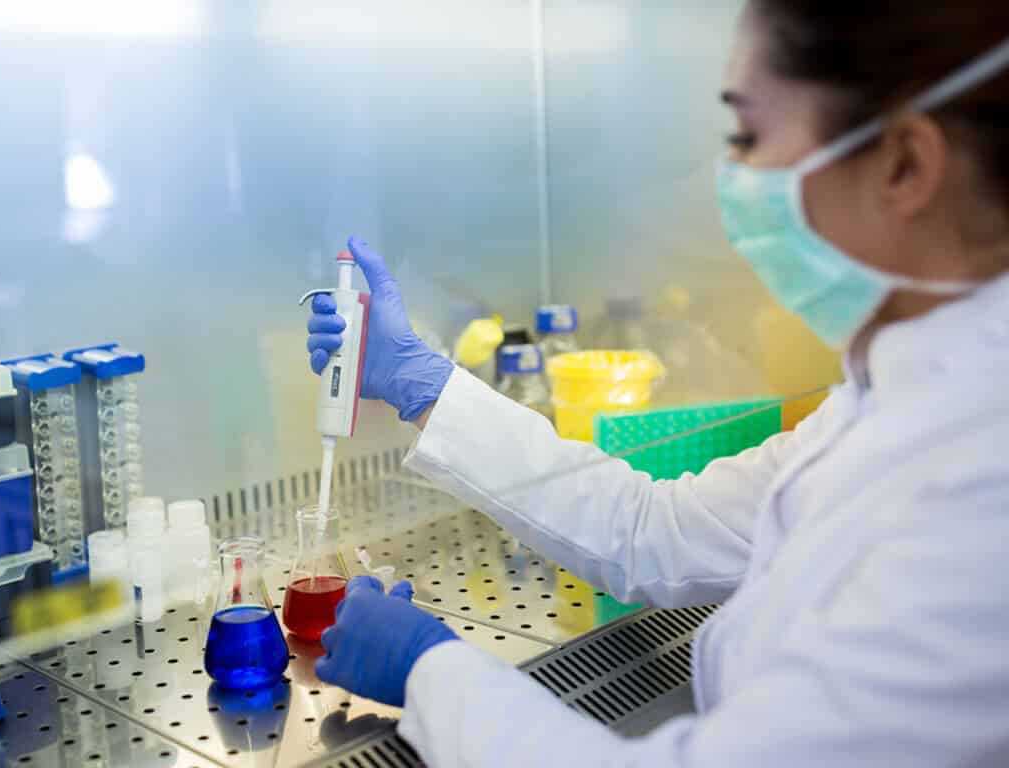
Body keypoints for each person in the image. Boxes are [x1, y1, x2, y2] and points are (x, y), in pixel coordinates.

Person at [305, 2, 1009, 765]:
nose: (732, 177)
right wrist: (424, 384)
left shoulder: (983, 483)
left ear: (904, 163)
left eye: (746, 135)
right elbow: (652, 530)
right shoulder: (896, 396)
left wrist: (433, 672)